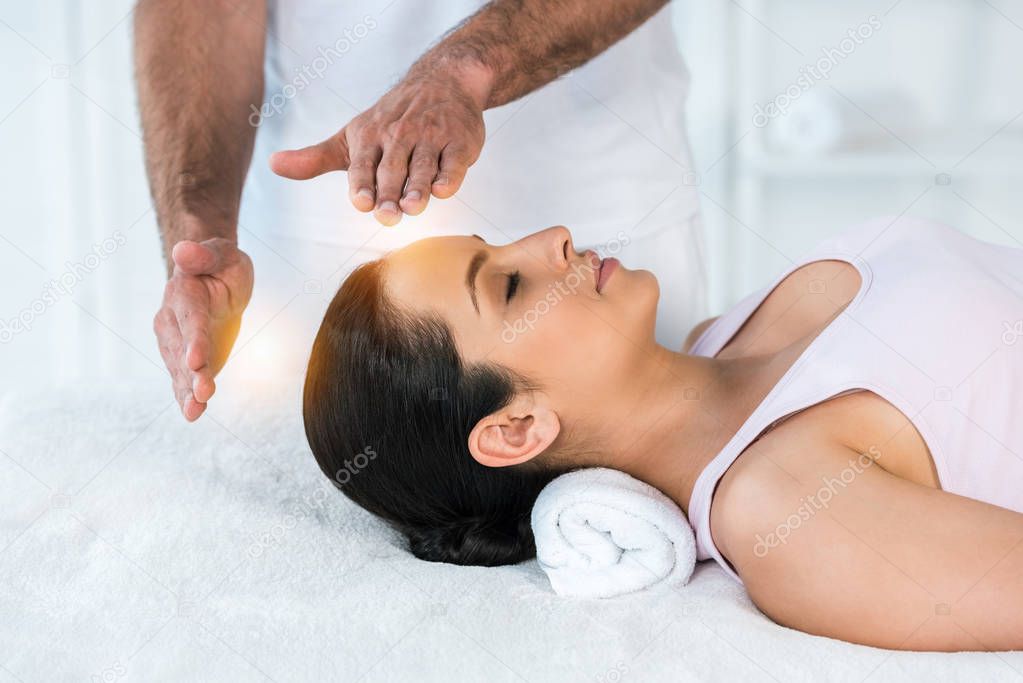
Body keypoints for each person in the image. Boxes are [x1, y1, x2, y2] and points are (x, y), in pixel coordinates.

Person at [302, 215, 1023, 651]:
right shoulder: (780, 507)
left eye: (497, 241)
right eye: (508, 286)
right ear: (516, 427)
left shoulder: (725, 332)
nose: (551, 237)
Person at [134, 0, 706, 421]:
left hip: (611, 213)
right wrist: (200, 234)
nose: (550, 237)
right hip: (300, 262)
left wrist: (467, 69)